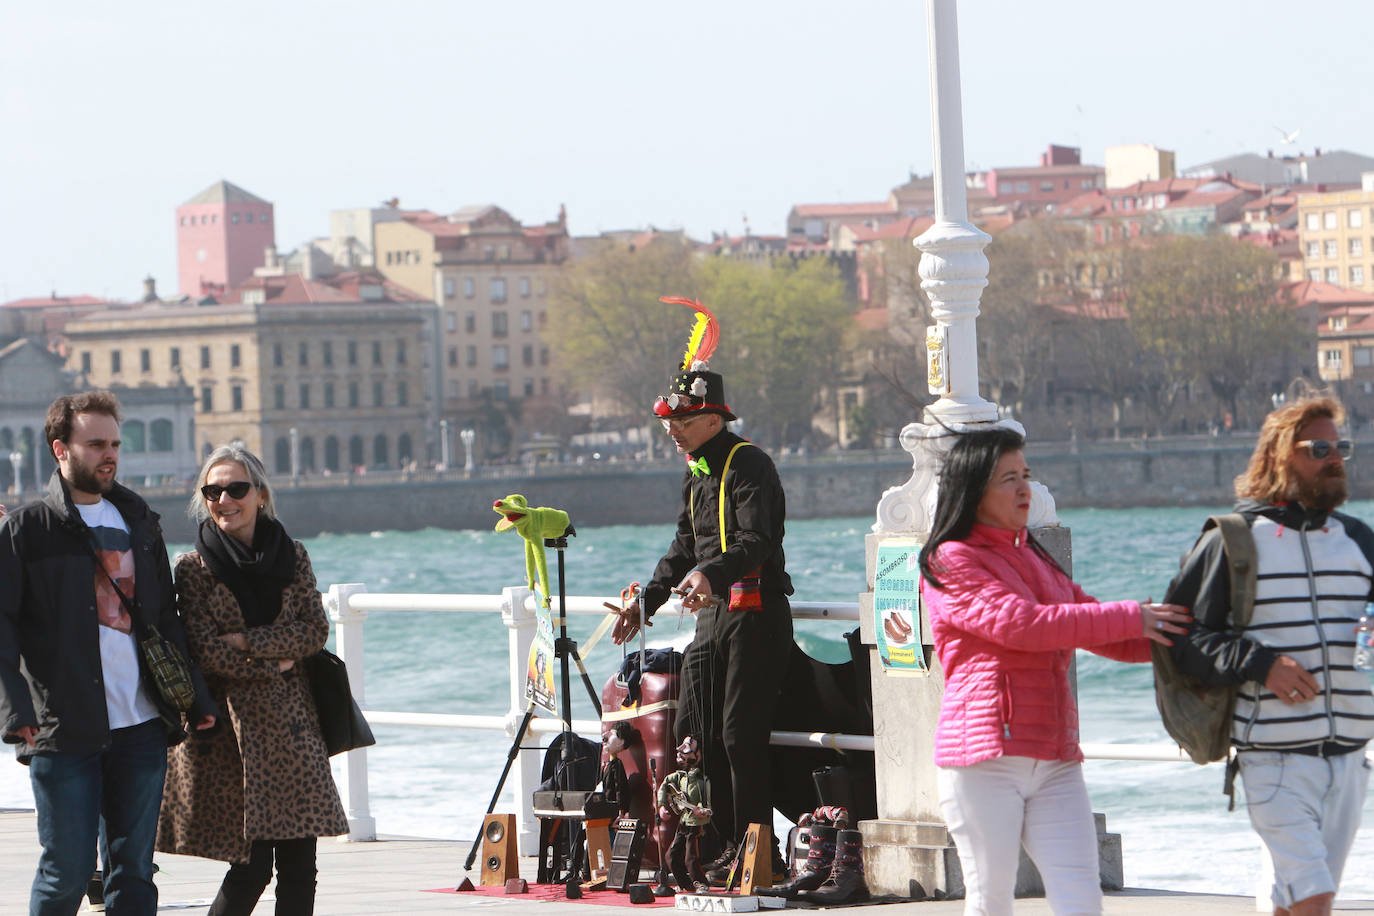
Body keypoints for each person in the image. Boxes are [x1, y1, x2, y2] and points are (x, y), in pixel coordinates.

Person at [917, 426, 1189, 916]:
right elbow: (1020, 625)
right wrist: (1134, 615)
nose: (1024, 489)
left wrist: (1179, 638)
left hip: (1055, 758)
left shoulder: (1035, 557)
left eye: (1026, 475)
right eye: (1008, 479)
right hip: (983, 758)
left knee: (1082, 898)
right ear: (973, 489)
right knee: (991, 901)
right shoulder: (951, 559)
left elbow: (1094, 628)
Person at [0, 390, 217, 915]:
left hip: (141, 725)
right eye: (95, 443)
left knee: (135, 874)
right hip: (63, 726)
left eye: (115, 443)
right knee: (66, 872)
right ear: (60, 448)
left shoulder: (140, 521)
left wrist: (197, 696)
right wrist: (15, 710)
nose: (109, 453)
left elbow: (165, 619)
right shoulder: (27, 530)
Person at [1164, 397, 1374, 916]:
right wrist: (1262, 664)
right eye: (1320, 448)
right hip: (1272, 757)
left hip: (1350, 756)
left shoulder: (1358, 540)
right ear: (1281, 456)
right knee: (1315, 894)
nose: (1336, 459)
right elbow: (1182, 636)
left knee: (1291, 896)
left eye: (1340, 447)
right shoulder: (1234, 541)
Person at [613, 297, 793, 883]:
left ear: (713, 419)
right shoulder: (695, 475)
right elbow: (683, 549)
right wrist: (647, 603)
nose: (671, 430)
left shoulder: (749, 466)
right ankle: (712, 851)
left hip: (754, 614)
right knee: (699, 738)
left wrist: (709, 576)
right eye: (668, 421)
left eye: (681, 421)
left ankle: (757, 856)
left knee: (741, 738)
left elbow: (755, 541)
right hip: (710, 620)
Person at [156, 445, 347, 916]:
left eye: (236, 489)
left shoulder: (293, 554)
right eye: (213, 490)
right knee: (251, 867)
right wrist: (274, 660)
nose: (224, 499)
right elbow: (204, 648)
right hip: (232, 738)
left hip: (294, 731)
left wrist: (246, 641)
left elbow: (313, 630)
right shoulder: (193, 567)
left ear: (260, 494)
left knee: (302, 868)